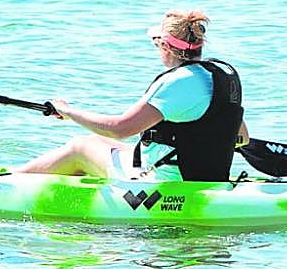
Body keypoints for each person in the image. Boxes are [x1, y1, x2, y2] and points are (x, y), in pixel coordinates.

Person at [18, 10, 248, 182]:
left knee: (80, 147)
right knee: (99, 142)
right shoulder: (221, 75)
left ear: (165, 46)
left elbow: (120, 129)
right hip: (206, 173)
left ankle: (6, 181)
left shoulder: (178, 82)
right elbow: (242, 137)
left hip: (165, 180)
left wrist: (68, 111)